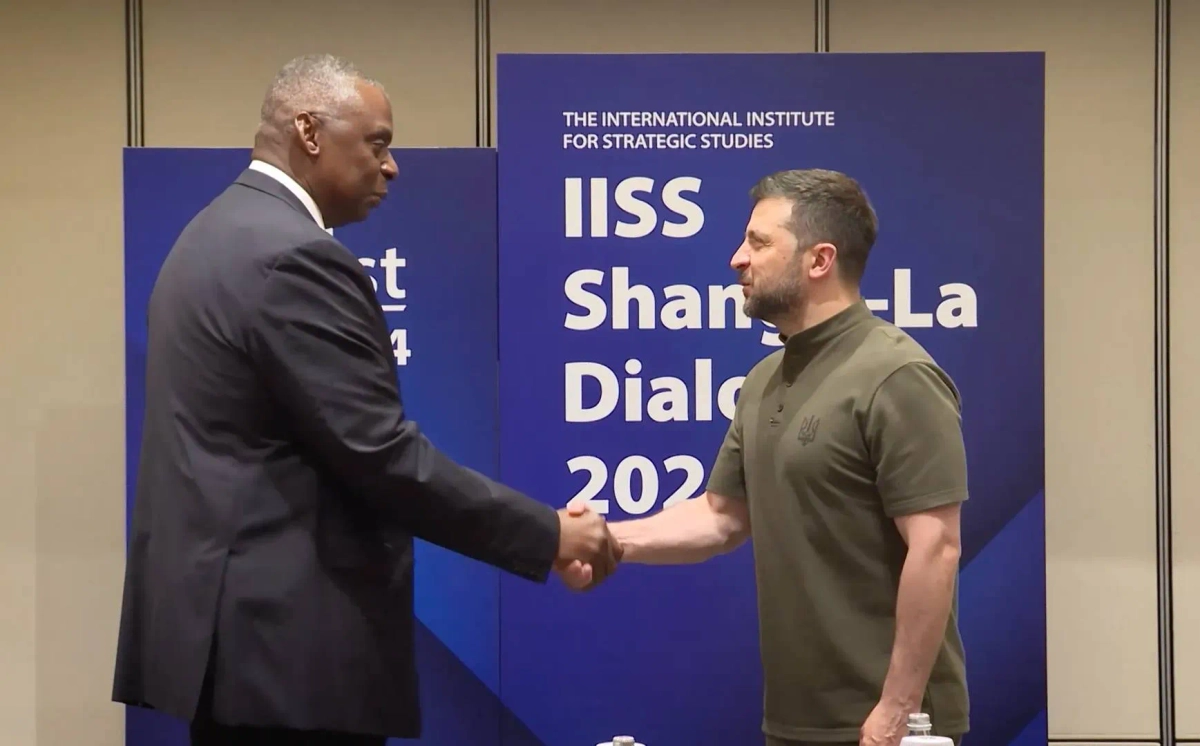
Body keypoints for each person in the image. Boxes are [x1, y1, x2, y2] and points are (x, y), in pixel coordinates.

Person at [112, 53, 619, 746]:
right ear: (310, 132)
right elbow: (379, 454)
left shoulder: (210, 235)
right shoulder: (293, 257)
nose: (392, 166)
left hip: (237, 651)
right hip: (289, 663)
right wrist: (550, 534)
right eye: (377, 144)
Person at [563, 169, 969, 746]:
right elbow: (722, 516)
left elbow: (936, 547)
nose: (737, 258)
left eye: (758, 242)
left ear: (819, 259)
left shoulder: (897, 375)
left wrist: (897, 709)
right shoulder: (764, 379)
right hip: (794, 720)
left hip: (886, 726)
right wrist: (609, 540)